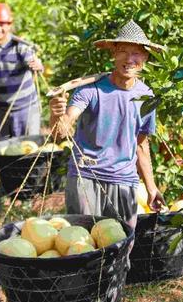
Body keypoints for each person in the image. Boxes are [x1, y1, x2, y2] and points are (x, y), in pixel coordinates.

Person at [49, 20, 165, 228]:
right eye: (123, 51)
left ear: (145, 57)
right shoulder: (90, 90)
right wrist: (57, 115)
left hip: (124, 180)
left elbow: (141, 144)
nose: (130, 59)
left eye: (136, 53)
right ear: (113, 54)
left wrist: (151, 187)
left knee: (122, 244)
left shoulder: (146, 97)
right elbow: (61, 133)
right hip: (86, 177)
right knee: (84, 243)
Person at [0, 3, 44, 140]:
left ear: (9, 25)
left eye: (2, 24)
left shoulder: (21, 47)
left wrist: (38, 65)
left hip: (25, 108)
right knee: (3, 152)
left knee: (29, 148)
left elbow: (33, 62)